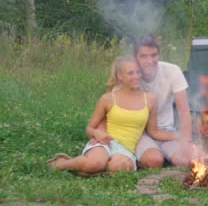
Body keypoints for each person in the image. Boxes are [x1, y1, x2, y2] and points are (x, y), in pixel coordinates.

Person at [47, 55, 178, 175]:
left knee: (118, 167)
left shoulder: (149, 99)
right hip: (105, 143)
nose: (136, 76)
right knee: (95, 163)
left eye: (138, 72)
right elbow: (89, 128)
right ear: (120, 76)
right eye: (130, 73)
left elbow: (154, 132)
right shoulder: (108, 99)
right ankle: (61, 163)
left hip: (126, 149)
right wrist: (97, 133)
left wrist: (181, 136)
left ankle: (90, 167)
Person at [132, 34, 196, 168]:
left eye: (153, 55)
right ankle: (142, 156)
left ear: (159, 55)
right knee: (155, 161)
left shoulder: (172, 71)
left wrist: (187, 141)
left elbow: (184, 111)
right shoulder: (130, 75)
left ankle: (167, 154)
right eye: (144, 56)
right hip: (141, 133)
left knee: (189, 160)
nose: (150, 61)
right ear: (135, 58)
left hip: (167, 132)